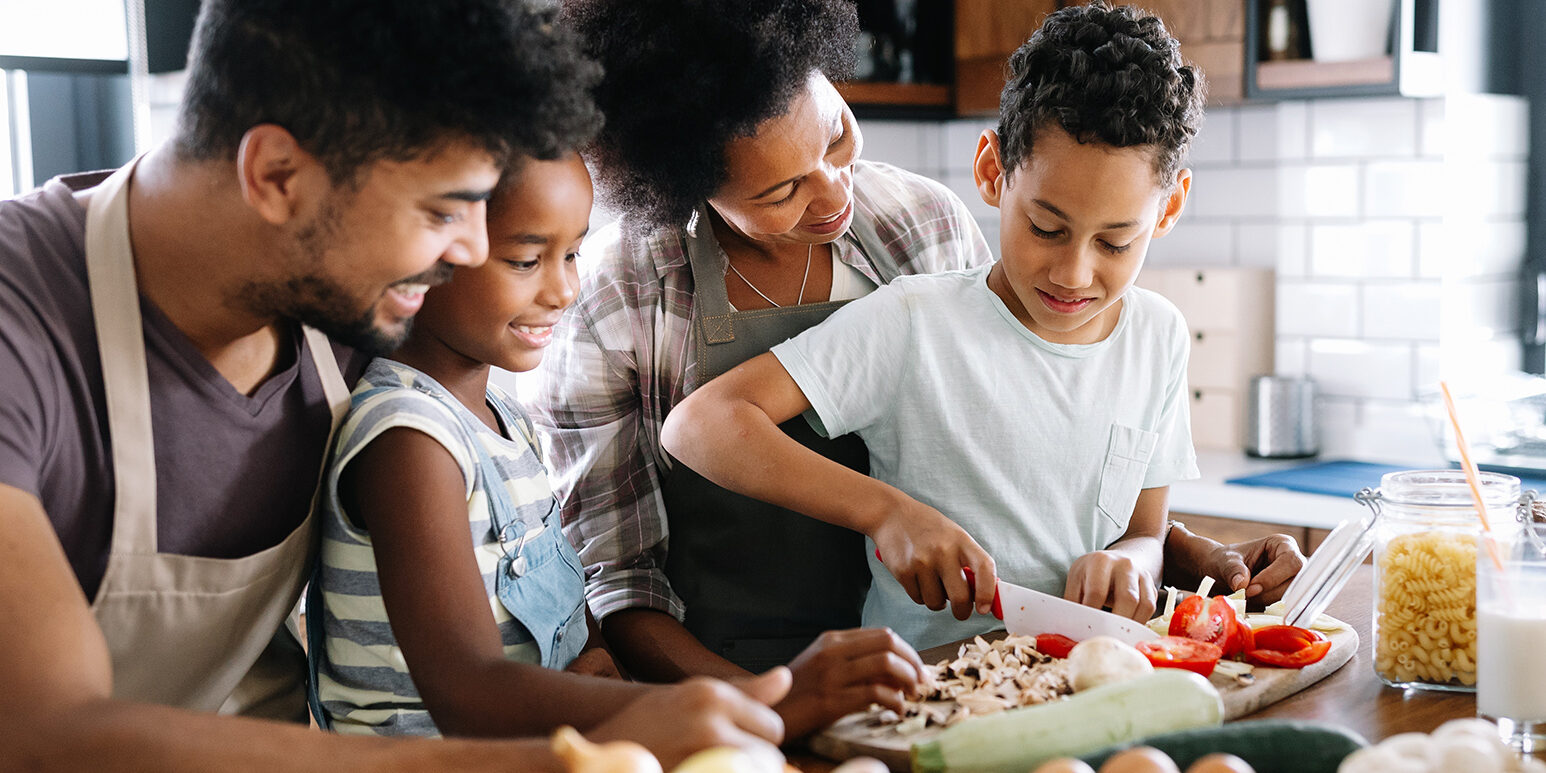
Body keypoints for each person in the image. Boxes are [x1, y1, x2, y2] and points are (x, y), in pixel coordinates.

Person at [0, 1, 784, 769]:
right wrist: (567, 751)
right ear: (276, 175)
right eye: (444, 211)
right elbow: (44, 732)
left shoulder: (349, 301)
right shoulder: (22, 324)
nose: (468, 252)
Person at [538, 0, 1300, 735]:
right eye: (781, 190)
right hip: (731, 684)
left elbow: (1015, 448)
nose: (836, 193)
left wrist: (1172, 548)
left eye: (836, 136)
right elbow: (617, 583)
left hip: (936, 678)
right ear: (684, 179)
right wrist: (770, 707)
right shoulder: (619, 294)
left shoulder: (921, 225)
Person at [309, 151, 787, 763]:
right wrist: (678, 710)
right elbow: (468, 689)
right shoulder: (409, 440)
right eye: (527, 261)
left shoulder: (508, 422)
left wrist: (594, 659)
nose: (566, 289)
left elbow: (557, 597)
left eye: (572, 254)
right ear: (418, 252)